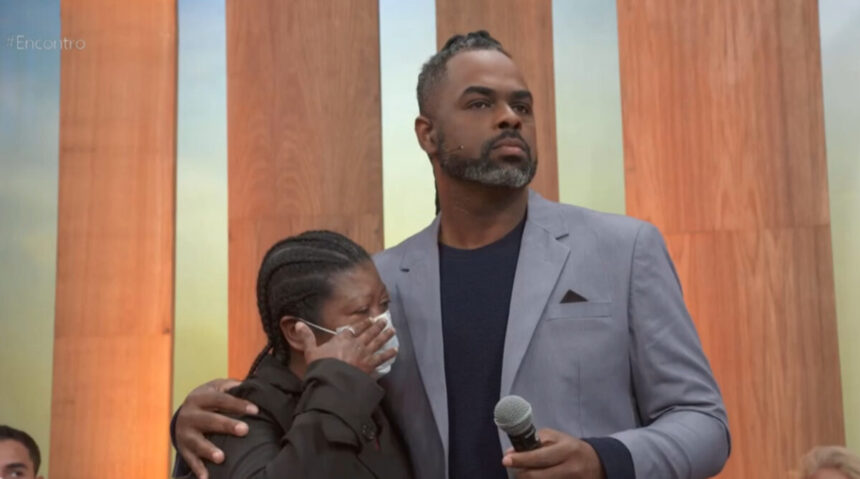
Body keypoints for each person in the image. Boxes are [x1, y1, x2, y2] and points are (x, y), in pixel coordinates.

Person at [173, 31, 730, 479]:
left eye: (522, 105)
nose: (510, 117)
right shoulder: (380, 284)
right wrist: (192, 418)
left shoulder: (625, 250)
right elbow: (293, 392)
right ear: (428, 134)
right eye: (480, 103)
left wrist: (605, 459)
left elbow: (704, 424)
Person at [184, 230, 412, 478]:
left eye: (384, 304)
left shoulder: (373, 394)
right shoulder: (245, 413)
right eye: (361, 310)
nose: (381, 323)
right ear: (295, 331)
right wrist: (335, 384)